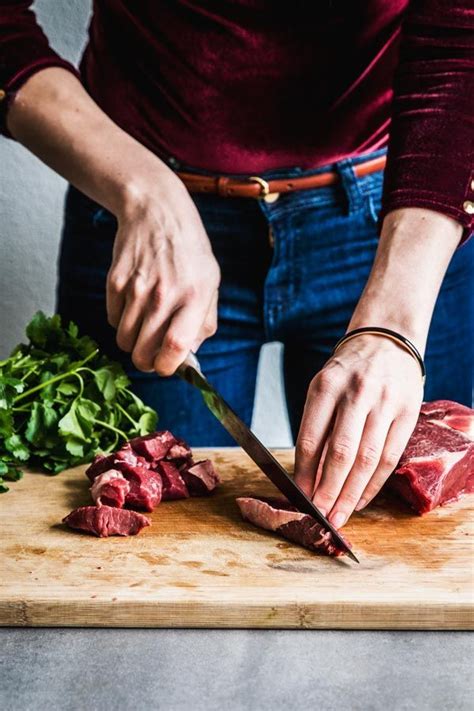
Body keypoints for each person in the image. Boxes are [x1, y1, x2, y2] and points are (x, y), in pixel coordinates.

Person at [1, 1, 472, 531]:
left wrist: (394, 327)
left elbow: (462, 45)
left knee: (410, 528)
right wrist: (143, 192)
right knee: (140, 549)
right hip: (144, 219)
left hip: (400, 218)